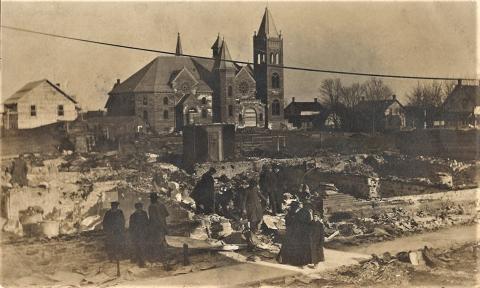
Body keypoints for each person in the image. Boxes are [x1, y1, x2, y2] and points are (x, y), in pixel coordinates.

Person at [278, 201, 304, 265]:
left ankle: (284, 260)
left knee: (287, 246)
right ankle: (293, 261)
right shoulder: (297, 215)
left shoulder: (289, 215)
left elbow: (287, 224)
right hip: (295, 233)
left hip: (289, 233)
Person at [148, 192, 169, 262]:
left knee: (156, 242)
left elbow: (151, 218)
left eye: (151, 198)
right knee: (162, 241)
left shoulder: (151, 206)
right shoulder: (162, 205)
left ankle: (159, 257)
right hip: (163, 226)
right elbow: (166, 214)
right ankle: (164, 257)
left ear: (152, 199)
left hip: (155, 226)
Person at [129, 202, 149, 267]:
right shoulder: (133, 216)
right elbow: (131, 226)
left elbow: (147, 223)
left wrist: (147, 232)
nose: (139, 209)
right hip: (136, 234)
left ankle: (142, 261)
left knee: (143, 247)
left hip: (143, 233)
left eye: (140, 207)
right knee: (138, 247)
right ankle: (140, 262)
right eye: (138, 207)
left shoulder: (144, 214)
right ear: (136, 208)